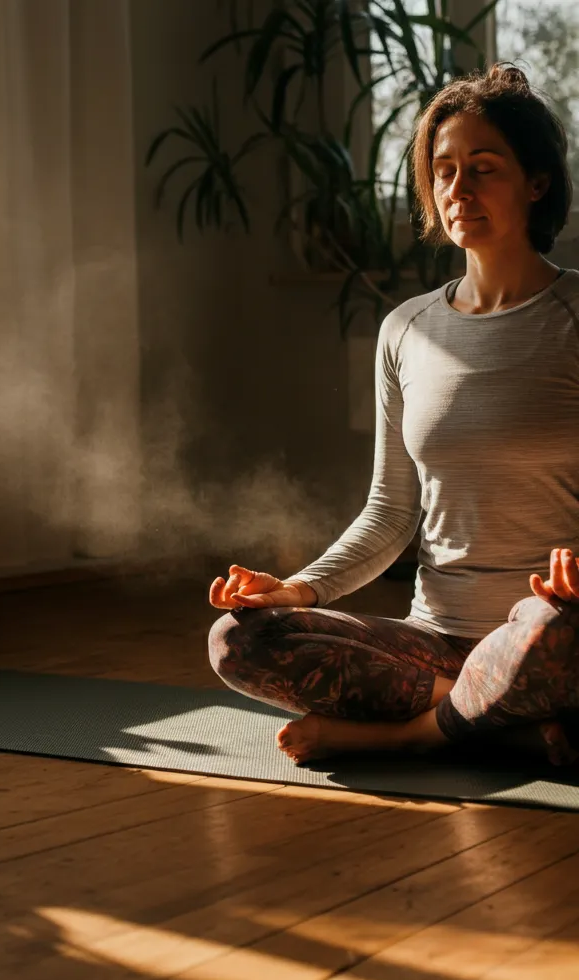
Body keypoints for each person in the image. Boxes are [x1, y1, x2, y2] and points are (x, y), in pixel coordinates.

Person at [207, 62, 579, 768]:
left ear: (537, 183)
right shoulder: (407, 330)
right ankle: (495, 721)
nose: (457, 189)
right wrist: (296, 588)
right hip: (436, 639)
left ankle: (410, 734)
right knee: (237, 639)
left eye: (483, 168)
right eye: (442, 170)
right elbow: (390, 512)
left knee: (545, 630)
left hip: (551, 632)